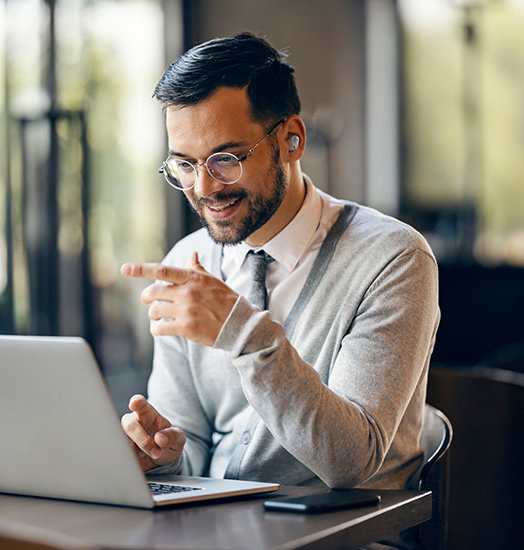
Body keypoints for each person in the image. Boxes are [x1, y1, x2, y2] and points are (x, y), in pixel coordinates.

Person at [119, 32, 440, 491]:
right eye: (185, 165)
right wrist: (164, 454)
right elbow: (188, 443)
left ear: (291, 139)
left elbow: (352, 461)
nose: (205, 188)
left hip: (348, 533)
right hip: (221, 529)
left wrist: (242, 333)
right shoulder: (187, 261)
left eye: (225, 158)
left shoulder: (392, 257)